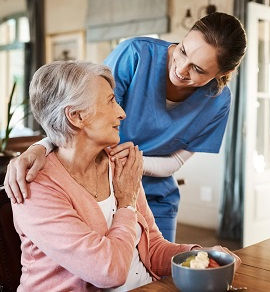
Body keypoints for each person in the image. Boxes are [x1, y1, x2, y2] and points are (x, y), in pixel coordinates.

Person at [5, 12, 247, 242]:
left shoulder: (218, 102)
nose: (181, 69)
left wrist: (133, 165)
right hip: (97, 188)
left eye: (198, 69)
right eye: (182, 51)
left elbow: (176, 162)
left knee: (158, 278)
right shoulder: (136, 55)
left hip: (155, 195)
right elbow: (79, 114)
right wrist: (40, 147)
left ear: (223, 73)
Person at [11, 61, 240, 291]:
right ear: (76, 116)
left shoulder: (119, 165)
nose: (122, 113)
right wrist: (127, 203)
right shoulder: (35, 187)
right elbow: (109, 272)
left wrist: (199, 256)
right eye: (111, 101)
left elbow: (153, 249)